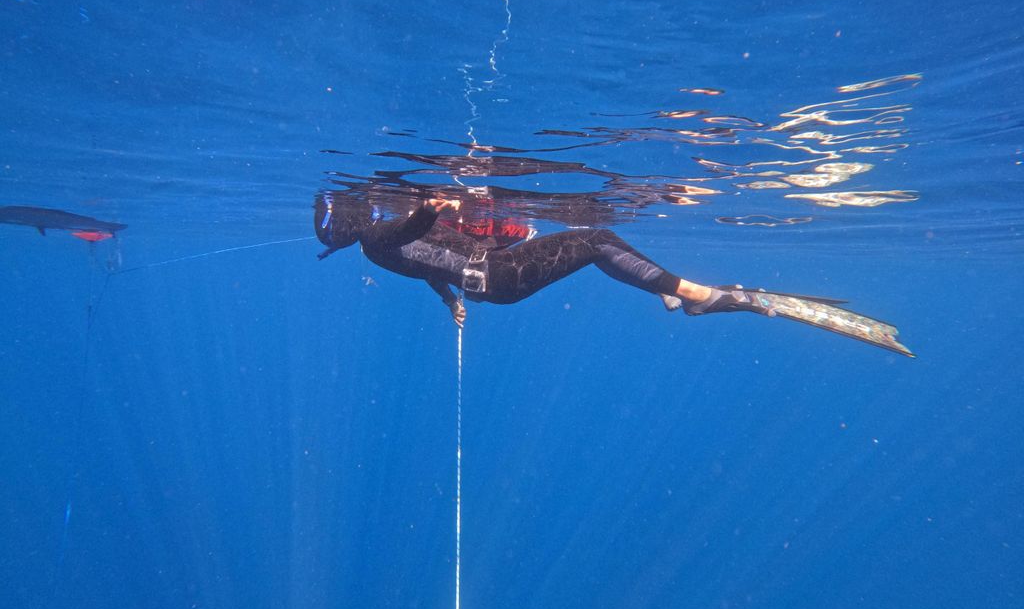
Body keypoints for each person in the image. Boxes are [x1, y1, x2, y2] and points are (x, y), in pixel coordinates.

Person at [314, 194, 912, 356]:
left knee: (596, 245)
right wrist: (427, 210)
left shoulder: (371, 251)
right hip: (496, 276)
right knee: (597, 240)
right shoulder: (377, 235)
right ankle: (697, 296)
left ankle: (676, 292)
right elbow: (404, 237)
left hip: (490, 284)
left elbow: (420, 266)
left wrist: (448, 305)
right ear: (351, 223)